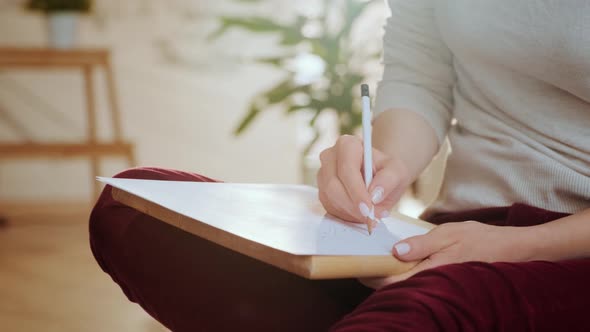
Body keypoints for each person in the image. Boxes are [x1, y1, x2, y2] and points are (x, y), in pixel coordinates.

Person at [89, 0, 590, 331]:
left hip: (568, 249)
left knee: (422, 310)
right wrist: (385, 164)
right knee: (132, 208)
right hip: (448, 233)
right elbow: (421, 73)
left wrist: (517, 248)